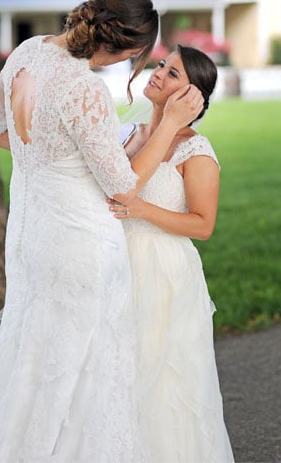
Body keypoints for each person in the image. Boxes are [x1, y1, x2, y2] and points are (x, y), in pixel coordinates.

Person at [0, 0, 204, 462]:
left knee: (35, 358)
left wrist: (51, 159)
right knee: (84, 370)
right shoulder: (87, 90)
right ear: (131, 48)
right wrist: (164, 128)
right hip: (82, 245)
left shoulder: (27, 51)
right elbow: (123, 188)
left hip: (31, 234)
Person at [110, 46, 235, 462]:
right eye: (162, 64)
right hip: (113, 264)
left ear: (192, 97)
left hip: (161, 274)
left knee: (158, 375)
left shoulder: (194, 151)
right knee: (113, 372)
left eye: (174, 73)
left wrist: (143, 208)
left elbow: (203, 224)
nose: (159, 72)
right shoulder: (128, 134)